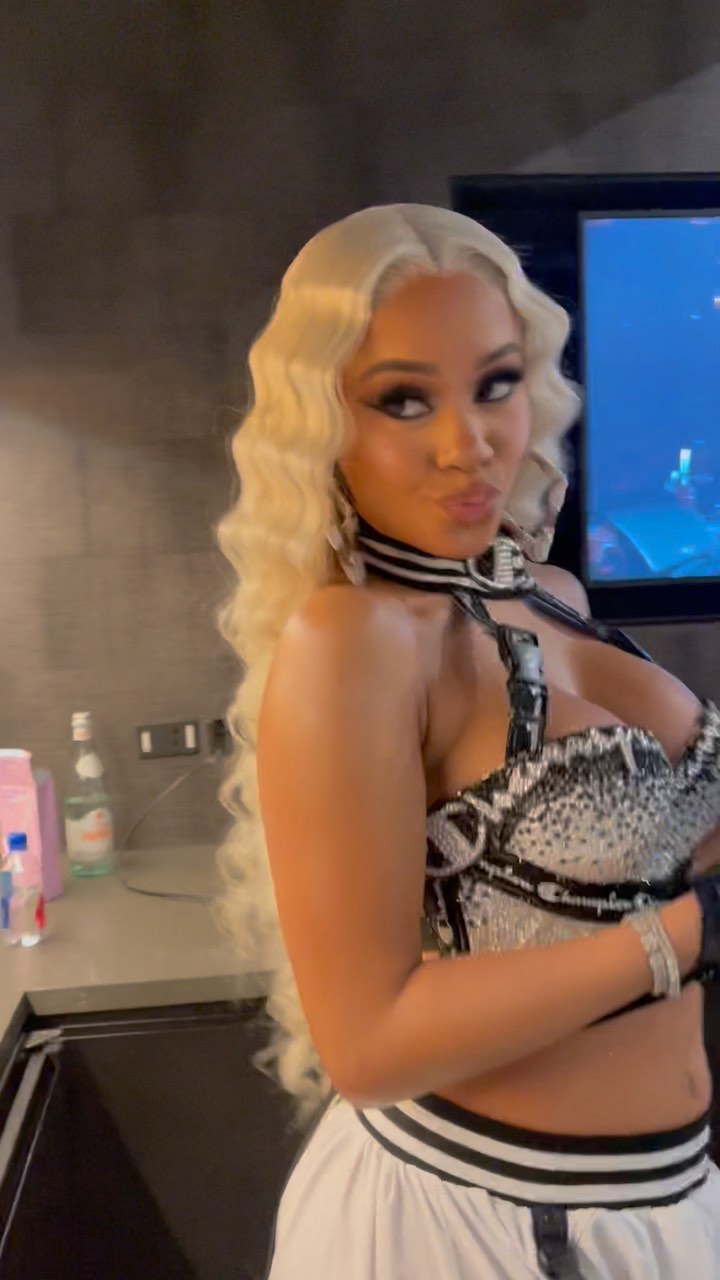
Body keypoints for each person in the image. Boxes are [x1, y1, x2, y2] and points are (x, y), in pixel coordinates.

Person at [216, 204, 720, 1279]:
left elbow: (656, 848)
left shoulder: (554, 593)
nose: (469, 443)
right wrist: (690, 933)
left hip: (658, 1207)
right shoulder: (353, 641)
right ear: (324, 425)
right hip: (476, 1226)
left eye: (494, 383)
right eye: (404, 399)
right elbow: (367, 1039)